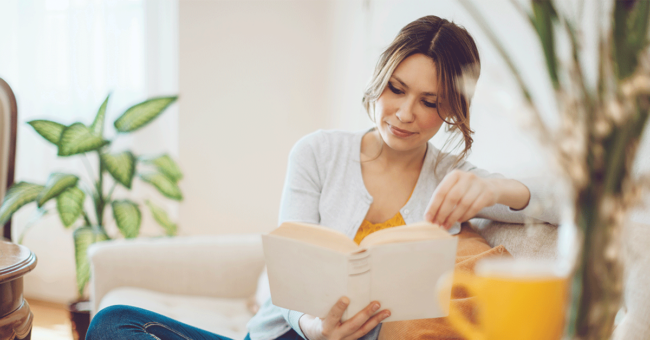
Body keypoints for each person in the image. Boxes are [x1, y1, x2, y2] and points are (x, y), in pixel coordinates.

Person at [86, 15, 557, 340]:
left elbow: (565, 202)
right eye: (396, 89)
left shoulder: (452, 178)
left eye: (430, 102)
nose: (405, 113)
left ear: (451, 110)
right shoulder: (318, 153)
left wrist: (496, 188)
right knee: (114, 321)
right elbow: (286, 271)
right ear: (381, 77)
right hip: (290, 334)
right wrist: (312, 326)